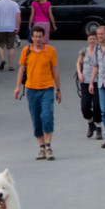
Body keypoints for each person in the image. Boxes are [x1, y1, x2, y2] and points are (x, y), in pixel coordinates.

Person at [15, 25, 61, 160]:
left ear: (44, 37)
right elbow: (21, 69)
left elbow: (55, 70)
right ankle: (41, 147)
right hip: (31, 89)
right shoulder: (26, 51)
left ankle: (48, 146)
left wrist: (58, 89)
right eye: (35, 36)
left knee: (47, 115)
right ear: (32, 37)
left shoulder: (50, 51)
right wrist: (17, 87)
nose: (37, 39)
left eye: (40, 36)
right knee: (36, 118)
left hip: (47, 88)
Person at [73, 37, 102, 140]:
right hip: (85, 81)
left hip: (97, 81)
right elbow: (78, 62)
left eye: (94, 39)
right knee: (85, 106)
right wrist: (80, 73)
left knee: (97, 105)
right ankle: (90, 123)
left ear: (97, 40)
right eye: (90, 39)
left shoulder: (100, 51)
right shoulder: (83, 51)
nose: (92, 41)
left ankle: (99, 127)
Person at [0, 0, 22, 71]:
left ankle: (2, 59)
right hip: (11, 28)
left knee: (0, 45)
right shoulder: (14, 4)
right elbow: (18, 16)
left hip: (1, 28)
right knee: (11, 47)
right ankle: (11, 65)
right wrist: (18, 26)